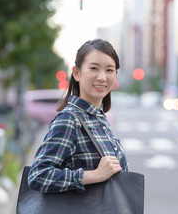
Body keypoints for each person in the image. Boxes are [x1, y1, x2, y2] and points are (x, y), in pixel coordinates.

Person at [28, 39, 128, 193]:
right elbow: (38, 175)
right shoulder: (70, 119)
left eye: (109, 70)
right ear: (76, 73)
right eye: (94, 68)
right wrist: (93, 175)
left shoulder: (98, 117)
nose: (102, 77)